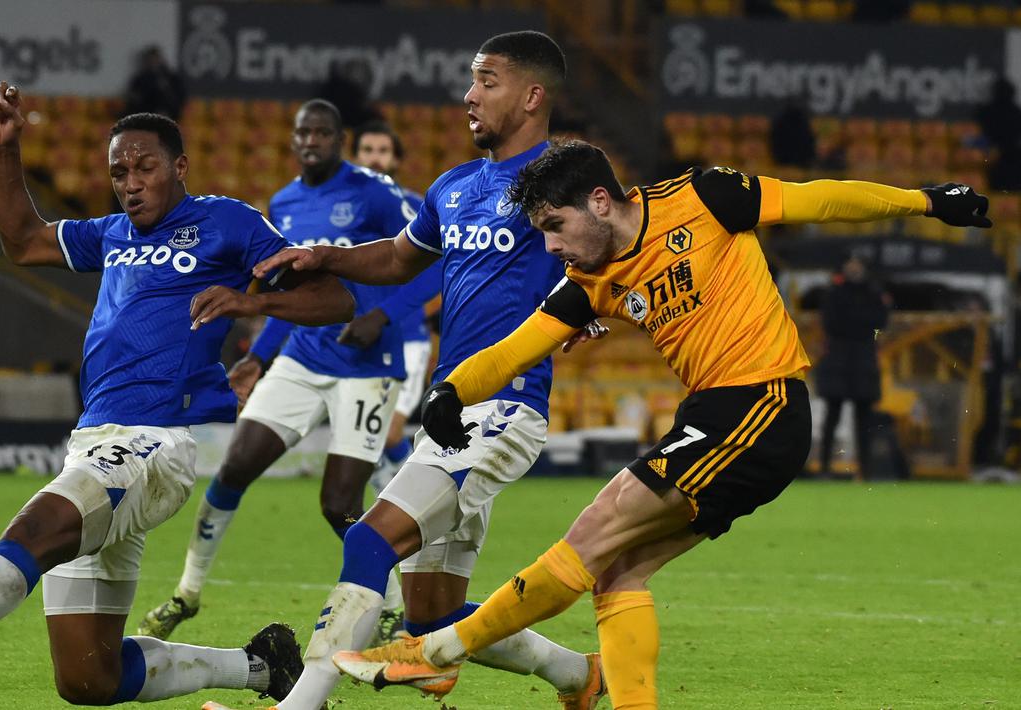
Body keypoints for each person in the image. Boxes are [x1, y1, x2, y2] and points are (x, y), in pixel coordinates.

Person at [330, 139, 991, 710]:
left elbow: (817, 198)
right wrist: (451, 389)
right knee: (618, 572)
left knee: (593, 529)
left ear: (598, 200)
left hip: (761, 403)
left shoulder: (703, 198)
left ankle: (436, 649)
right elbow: (514, 349)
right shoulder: (588, 280)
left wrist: (925, 202)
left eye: (554, 226)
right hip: (717, 416)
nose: (551, 246)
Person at [0, 81, 358, 706]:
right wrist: (6, 151)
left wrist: (252, 301)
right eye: (119, 172)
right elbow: (24, 242)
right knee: (89, 678)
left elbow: (335, 298)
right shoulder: (110, 234)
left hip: (153, 446)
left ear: (180, 167)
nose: (130, 182)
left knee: (37, 527)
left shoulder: (228, 223)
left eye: (145, 167)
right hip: (93, 443)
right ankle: (260, 665)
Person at [208, 31, 607, 710]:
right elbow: (396, 260)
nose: (468, 95)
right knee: (430, 618)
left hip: (505, 409)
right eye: (470, 80)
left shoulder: (566, 173)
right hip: (447, 415)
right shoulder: (453, 186)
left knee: (367, 540)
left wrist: (593, 302)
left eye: (486, 80)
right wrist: (325, 257)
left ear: (532, 95)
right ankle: (580, 675)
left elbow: (614, 243)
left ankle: (298, 704)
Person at [137, 100, 431, 644]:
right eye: (303, 132)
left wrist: (382, 315)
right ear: (292, 140)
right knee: (233, 470)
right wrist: (259, 356)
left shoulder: (376, 193)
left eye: (322, 132)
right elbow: (286, 295)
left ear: (340, 139)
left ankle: (392, 602)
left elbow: (428, 261)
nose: (311, 140)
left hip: (368, 367)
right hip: (302, 358)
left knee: (338, 504)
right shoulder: (284, 202)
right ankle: (187, 591)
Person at [349, 120, 442, 488]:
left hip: (405, 336)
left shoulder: (418, 209)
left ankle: (416, 501)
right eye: (367, 150)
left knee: (387, 434)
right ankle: (396, 509)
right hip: (354, 338)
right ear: (354, 157)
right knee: (364, 440)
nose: (375, 159)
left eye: (383, 151)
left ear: (396, 159)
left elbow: (440, 269)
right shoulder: (339, 211)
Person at [816, 255, 888, 478]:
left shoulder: (873, 293)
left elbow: (880, 321)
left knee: (864, 418)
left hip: (860, 359)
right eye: (850, 264)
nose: (854, 268)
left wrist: (852, 325)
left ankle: (865, 470)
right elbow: (831, 323)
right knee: (832, 416)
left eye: (858, 264)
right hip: (841, 359)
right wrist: (860, 326)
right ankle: (825, 467)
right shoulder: (835, 293)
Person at [124, 46, 186, 120]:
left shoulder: (171, 77)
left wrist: (166, 89)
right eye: (151, 59)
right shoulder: (140, 79)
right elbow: (134, 98)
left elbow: (180, 96)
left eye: (156, 59)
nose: (153, 61)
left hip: (169, 110)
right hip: (147, 111)